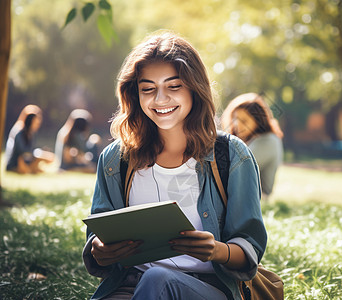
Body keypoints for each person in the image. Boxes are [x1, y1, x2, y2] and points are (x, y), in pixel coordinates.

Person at [82, 31, 267, 300]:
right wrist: (100, 250)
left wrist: (217, 250)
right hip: (130, 285)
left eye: (174, 86)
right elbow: (97, 245)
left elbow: (249, 249)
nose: (160, 99)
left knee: (159, 279)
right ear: (135, 94)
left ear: (194, 88)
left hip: (209, 287)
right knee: (151, 281)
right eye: (148, 89)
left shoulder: (232, 155)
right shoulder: (115, 160)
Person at [221, 93, 284, 197]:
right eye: (235, 119)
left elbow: (235, 168)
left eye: (244, 121)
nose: (237, 125)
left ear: (258, 121)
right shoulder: (246, 140)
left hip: (255, 200)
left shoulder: (268, 140)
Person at [4, 104, 54, 174]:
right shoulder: (19, 132)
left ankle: (32, 170)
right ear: (30, 121)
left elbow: (29, 150)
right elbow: (22, 152)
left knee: (42, 161)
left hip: (26, 160)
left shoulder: (30, 133)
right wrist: (40, 154)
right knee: (39, 158)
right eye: (36, 123)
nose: (38, 125)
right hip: (15, 163)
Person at [55, 109, 101, 173]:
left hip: (70, 164)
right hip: (67, 166)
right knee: (92, 168)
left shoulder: (69, 133)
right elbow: (68, 157)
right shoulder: (69, 135)